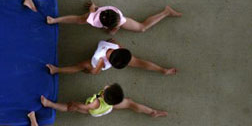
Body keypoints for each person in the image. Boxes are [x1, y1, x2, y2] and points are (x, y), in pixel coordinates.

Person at [46, 39, 177, 76]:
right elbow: (93, 72)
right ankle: (56, 70)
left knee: (81, 66)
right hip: (97, 58)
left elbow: (93, 72)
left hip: (99, 57)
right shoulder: (112, 47)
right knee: (80, 66)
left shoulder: (111, 49)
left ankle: (162, 70)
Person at [47, 1, 182, 35]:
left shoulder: (118, 18)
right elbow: (89, 12)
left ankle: (166, 12)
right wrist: (93, 6)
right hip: (101, 12)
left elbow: (113, 29)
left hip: (103, 12)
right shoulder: (93, 18)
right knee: (79, 19)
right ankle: (54, 20)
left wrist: (113, 30)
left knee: (142, 28)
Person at [41, 83, 167, 118]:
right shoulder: (115, 101)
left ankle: (49, 104)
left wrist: (76, 104)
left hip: (94, 110)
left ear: (103, 95)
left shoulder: (95, 103)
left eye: (107, 88)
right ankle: (152, 112)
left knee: (70, 107)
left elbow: (85, 107)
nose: (106, 86)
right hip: (108, 108)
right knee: (129, 102)